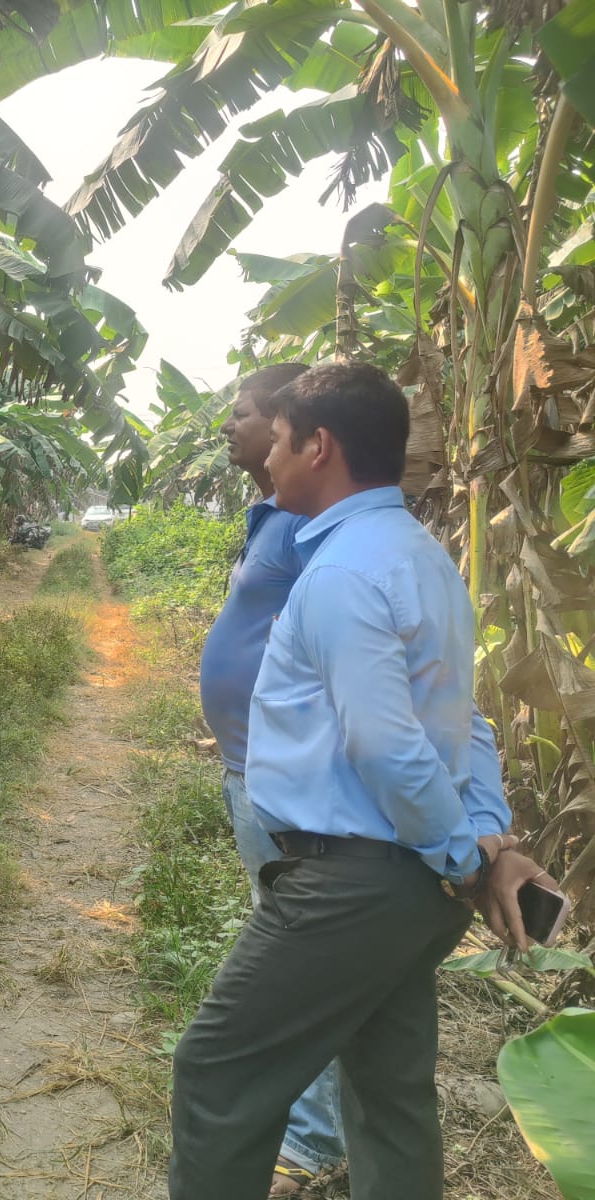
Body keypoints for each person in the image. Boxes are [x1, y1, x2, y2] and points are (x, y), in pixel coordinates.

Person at [169, 363, 547, 1200]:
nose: (266, 458)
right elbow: (463, 721)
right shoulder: (420, 555)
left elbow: (388, 749)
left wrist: (467, 857)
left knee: (217, 1070)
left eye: (276, 440)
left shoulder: (341, 575)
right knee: (387, 1089)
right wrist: (486, 834)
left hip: (354, 881)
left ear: (318, 445)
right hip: (406, 884)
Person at [198, 363, 346, 1195]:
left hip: (282, 776)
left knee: (299, 958)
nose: (230, 425)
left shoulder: (314, 526)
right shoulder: (275, 515)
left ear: (292, 429)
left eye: (246, 414)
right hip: (248, 764)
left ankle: (313, 1140)